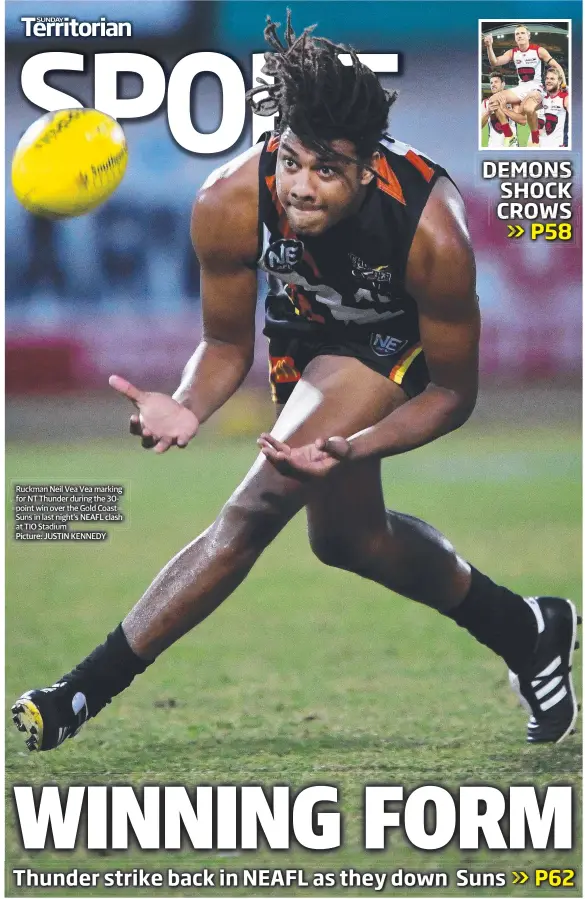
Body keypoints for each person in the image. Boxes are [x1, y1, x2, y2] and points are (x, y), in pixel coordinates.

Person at [13, 15, 578, 752]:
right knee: (349, 541)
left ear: (368, 170)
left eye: (327, 170)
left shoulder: (431, 234)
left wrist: (353, 442)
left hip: (388, 338)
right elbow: (222, 346)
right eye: (292, 161)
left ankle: (79, 690)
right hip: (305, 341)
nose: (300, 189)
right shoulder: (228, 200)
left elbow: (452, 395)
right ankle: (527, 627)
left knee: (254, 508)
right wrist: (186, 404)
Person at [484, 25, 564, 146]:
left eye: (522, 33)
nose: (520, 36)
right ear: (515, 38)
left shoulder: (538, 50)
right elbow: (495, 62)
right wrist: (489, 46)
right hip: (521, 87)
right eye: (517, 34)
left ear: (528, 36)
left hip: (536, 88)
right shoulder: (513, 52)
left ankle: (535, 137)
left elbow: (557, 66)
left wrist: (563, 84)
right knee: (493, 100)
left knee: (528, 108)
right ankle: (509, 135)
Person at [480, 72, 526, 148]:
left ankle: (509, 136)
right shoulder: (485, 102)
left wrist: (505, 109)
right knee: (494, 103)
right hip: (493, 146)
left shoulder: (513, 101)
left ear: (503, 84)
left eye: (496, 82)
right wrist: (488, 112)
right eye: (491, 83)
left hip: (511, 146)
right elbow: (480, 125)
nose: (493, 85)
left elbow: (523, 121)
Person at [537, 66, 570, 149]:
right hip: (542, 146)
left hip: (559, 146)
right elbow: (526, 111)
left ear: (559, 81)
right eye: (547, 78)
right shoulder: (543, 98)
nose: (548, 81)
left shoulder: (565, 98)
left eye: (552, 79)